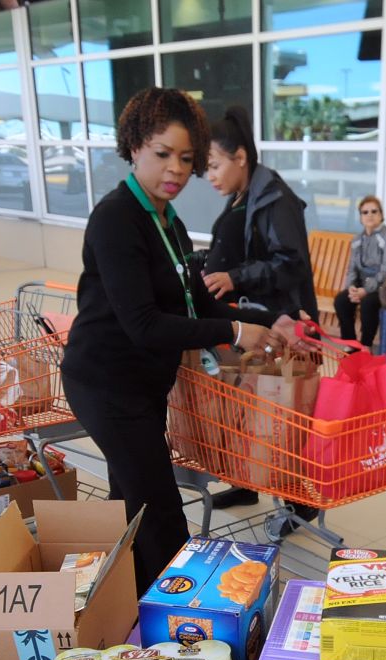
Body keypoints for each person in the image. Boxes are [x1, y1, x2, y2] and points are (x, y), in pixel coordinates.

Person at [59, 87, 284, 592]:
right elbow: (143, 323)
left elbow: (196, 303)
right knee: (161, 512)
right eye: (163, 154)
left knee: (133, 503)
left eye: (187, 158)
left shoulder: (168, 219)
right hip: (105, 384)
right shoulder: (117, 218)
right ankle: (182, 622)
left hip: (143, 385)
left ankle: (130, 606)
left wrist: (267, 321)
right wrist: (233, 331)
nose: (177, 169)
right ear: (135, 145)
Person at [200, 105, 318, 511]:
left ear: (240, 157)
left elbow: (292, 263)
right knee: (250, 409)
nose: (208, 175)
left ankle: (300, 506)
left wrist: (236, 277)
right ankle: (247, 484)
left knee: (285, 418)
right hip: (254, 320)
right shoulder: (245, 195)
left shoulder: (274, 199)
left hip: (284, 323)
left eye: (214, 164)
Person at [334, 194, 386, 349]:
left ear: (381, 215)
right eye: (365, 212)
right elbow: (352, 268)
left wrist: (366, 290)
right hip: (361, 285)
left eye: (374, 211)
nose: (369, 215)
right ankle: (350, 343)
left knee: (368, 302)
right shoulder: (357, 239)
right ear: (360, 217)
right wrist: (351, 287)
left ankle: (366, 344)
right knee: (341, 300)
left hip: (384, 286)